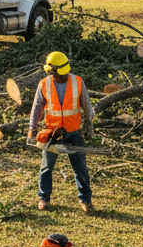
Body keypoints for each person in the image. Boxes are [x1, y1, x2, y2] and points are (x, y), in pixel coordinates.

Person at [28, 51, 96, 214]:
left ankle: (85, 200)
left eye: (65, 74)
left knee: (81, 168)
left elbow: (86, 104)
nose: (63, 77)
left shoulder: (77, 81)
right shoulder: (44, 84)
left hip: (74, 131)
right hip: (52, 133)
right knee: (46, 167)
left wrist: (89, 124)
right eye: (60, 74)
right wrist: (32, 127)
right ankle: (44, 198)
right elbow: (37, 106)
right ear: (51, 71)